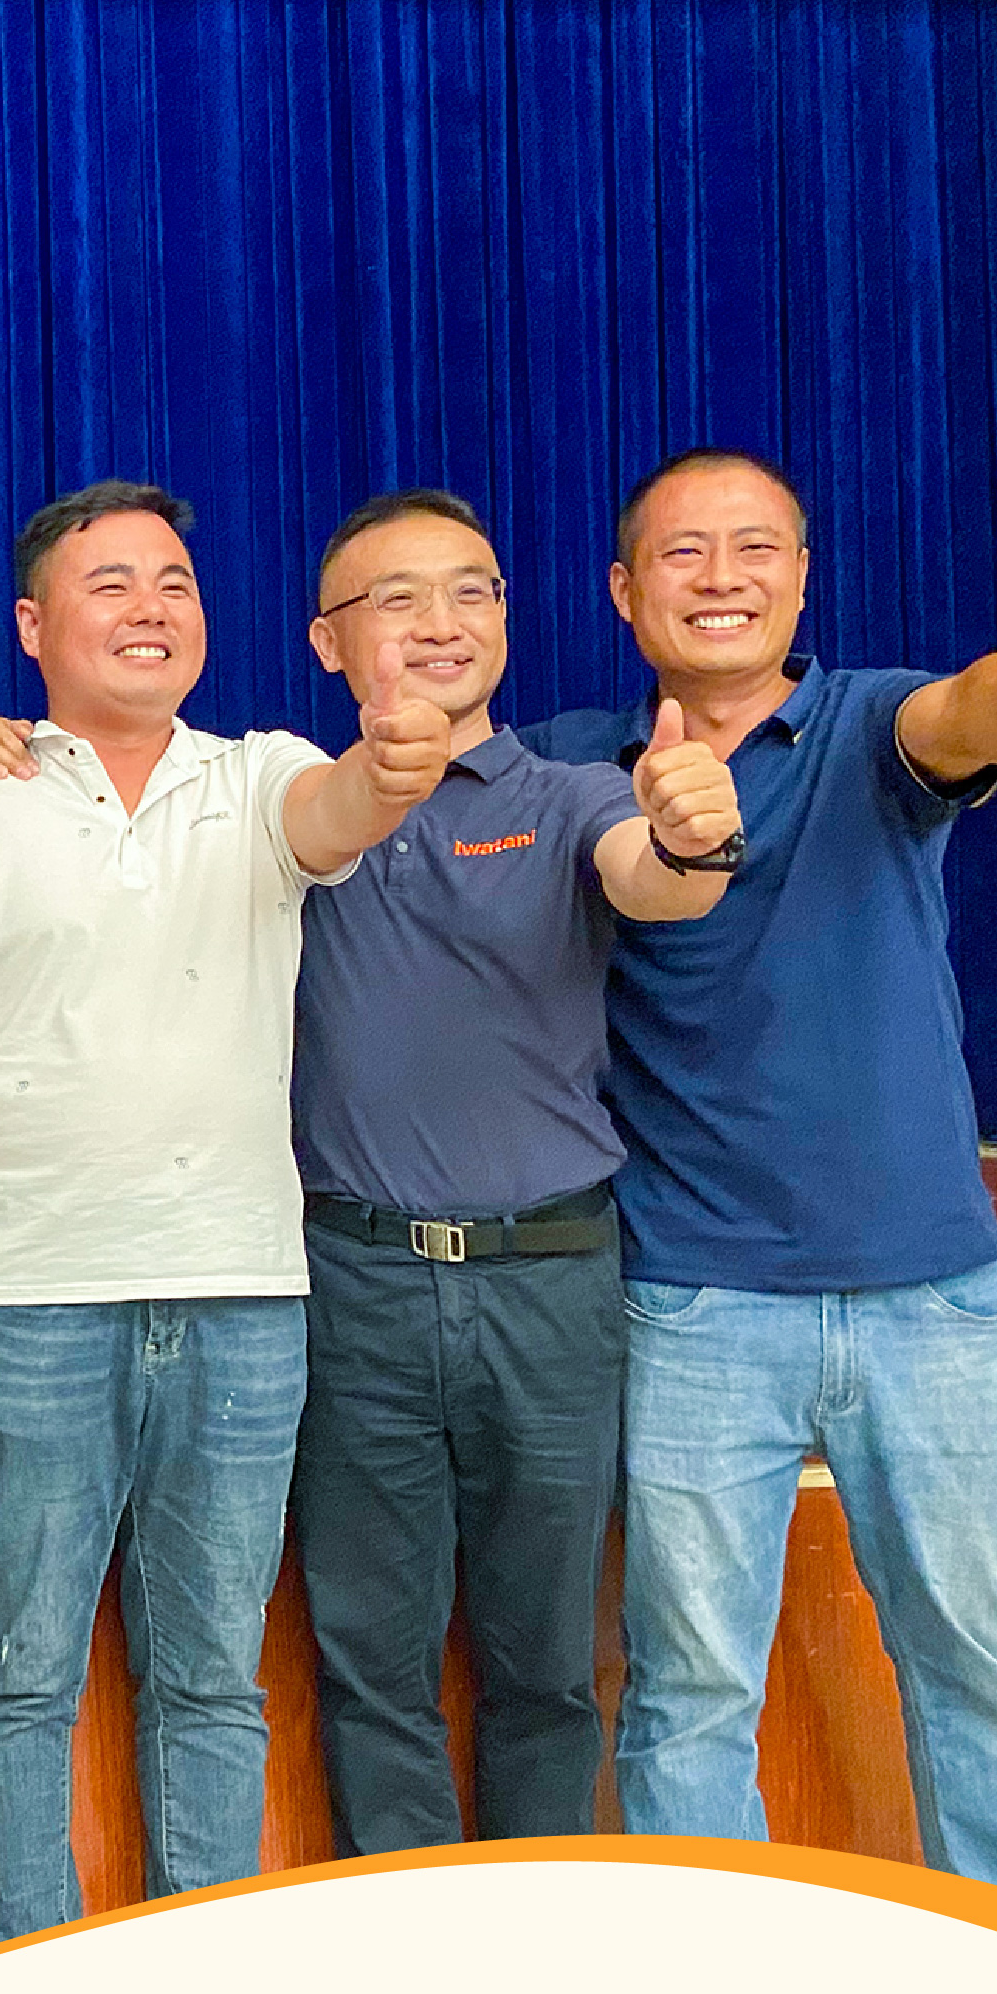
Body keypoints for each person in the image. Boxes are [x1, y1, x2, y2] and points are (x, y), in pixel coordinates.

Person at [0, 483, 458, 1939]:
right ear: (32, 625)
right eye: (109, 583)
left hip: (239, 1293)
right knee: (19, 1674)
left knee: (213, 1677)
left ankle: (196, 1982)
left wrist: (395, 762)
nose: (150, 606)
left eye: (173, 580)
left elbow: (342, 809)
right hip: (24, 1296)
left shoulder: (261, 774)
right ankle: (31, 1987)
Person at [530, 451, 997, 1899]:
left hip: (932, 1303)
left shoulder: (874, 724)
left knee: (975, 1669)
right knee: (689, 1691)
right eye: (682, 552)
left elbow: (989, 709)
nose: (721, 577)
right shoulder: (571, 763)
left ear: (802, 578)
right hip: (693, 1308)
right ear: (623, 591)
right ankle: (718, 1990)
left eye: (754, 547)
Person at [284, 486, 740, 1852]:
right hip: (355, 1281)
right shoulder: (287, 806)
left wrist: (692, 834)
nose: (442, 621)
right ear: (328, 642)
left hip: (548, 1281)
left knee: (545, 1667)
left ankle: (537, 1931)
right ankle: (408, 1934)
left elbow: (653, 874)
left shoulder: (571, 793)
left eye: (470, 591)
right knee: (372, 1665)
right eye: (399, 598)